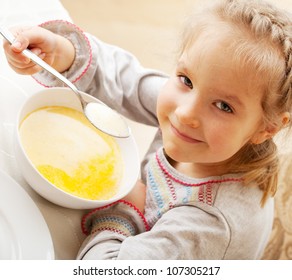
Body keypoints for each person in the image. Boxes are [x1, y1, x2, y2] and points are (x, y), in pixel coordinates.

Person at [3, 0, 292, 259]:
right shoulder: (201, 120)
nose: (185, 112)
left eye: (224, 106)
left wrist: (124, 210)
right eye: (185, 79)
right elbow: (128, 83)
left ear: (267, 128)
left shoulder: (209, 223)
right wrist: (62, 54)